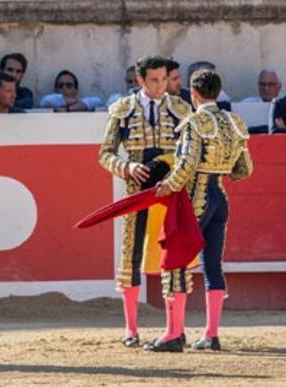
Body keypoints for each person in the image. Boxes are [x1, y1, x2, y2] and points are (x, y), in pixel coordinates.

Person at [149, 69, 254, 352]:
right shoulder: (233, 122)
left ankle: (174, 334)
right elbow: (244, 170)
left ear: (194, 94)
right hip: (220, 195)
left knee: (174, 261)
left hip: (198, 196)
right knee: (211, 265)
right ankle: (211, 334)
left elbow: (186, 165)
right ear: (217, 92)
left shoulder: (194, 122)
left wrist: (168, 185)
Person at [98, 55, 191, 348]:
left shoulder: (181, 109)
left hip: (170, 189)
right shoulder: (122, 110)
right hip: (136, 189)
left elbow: (190, 151)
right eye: (154, 80)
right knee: (131, 255)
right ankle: (130, 329)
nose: (160, 86)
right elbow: (104, 153)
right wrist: (126, 167)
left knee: (174, 257)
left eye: (164, 79)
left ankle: (175, 329)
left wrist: (176, 176)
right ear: (140, 80)